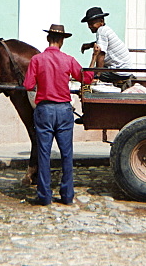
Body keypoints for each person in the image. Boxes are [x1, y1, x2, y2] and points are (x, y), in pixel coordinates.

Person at [22, 25, 93, 207]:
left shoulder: (37, 60)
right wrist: (94, 59)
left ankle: (44, 197)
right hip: (63, 110)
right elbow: (86, 78)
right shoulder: (68, 60)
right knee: (67, 154)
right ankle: (67, 195)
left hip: (44, 110)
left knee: (44, 154)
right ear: (62, 41)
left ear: (48, 39)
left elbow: (28, 85)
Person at [79, 6, 133, 86]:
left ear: (101, 21)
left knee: (86, 76)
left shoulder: (101, 31)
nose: (89, 26)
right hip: (124, 70)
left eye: (91, 23)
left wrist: (98, 75)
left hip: (119, 72)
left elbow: (101, 54)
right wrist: (89, 45)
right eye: (88, 23)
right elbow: (102, 43)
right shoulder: (105, 30)